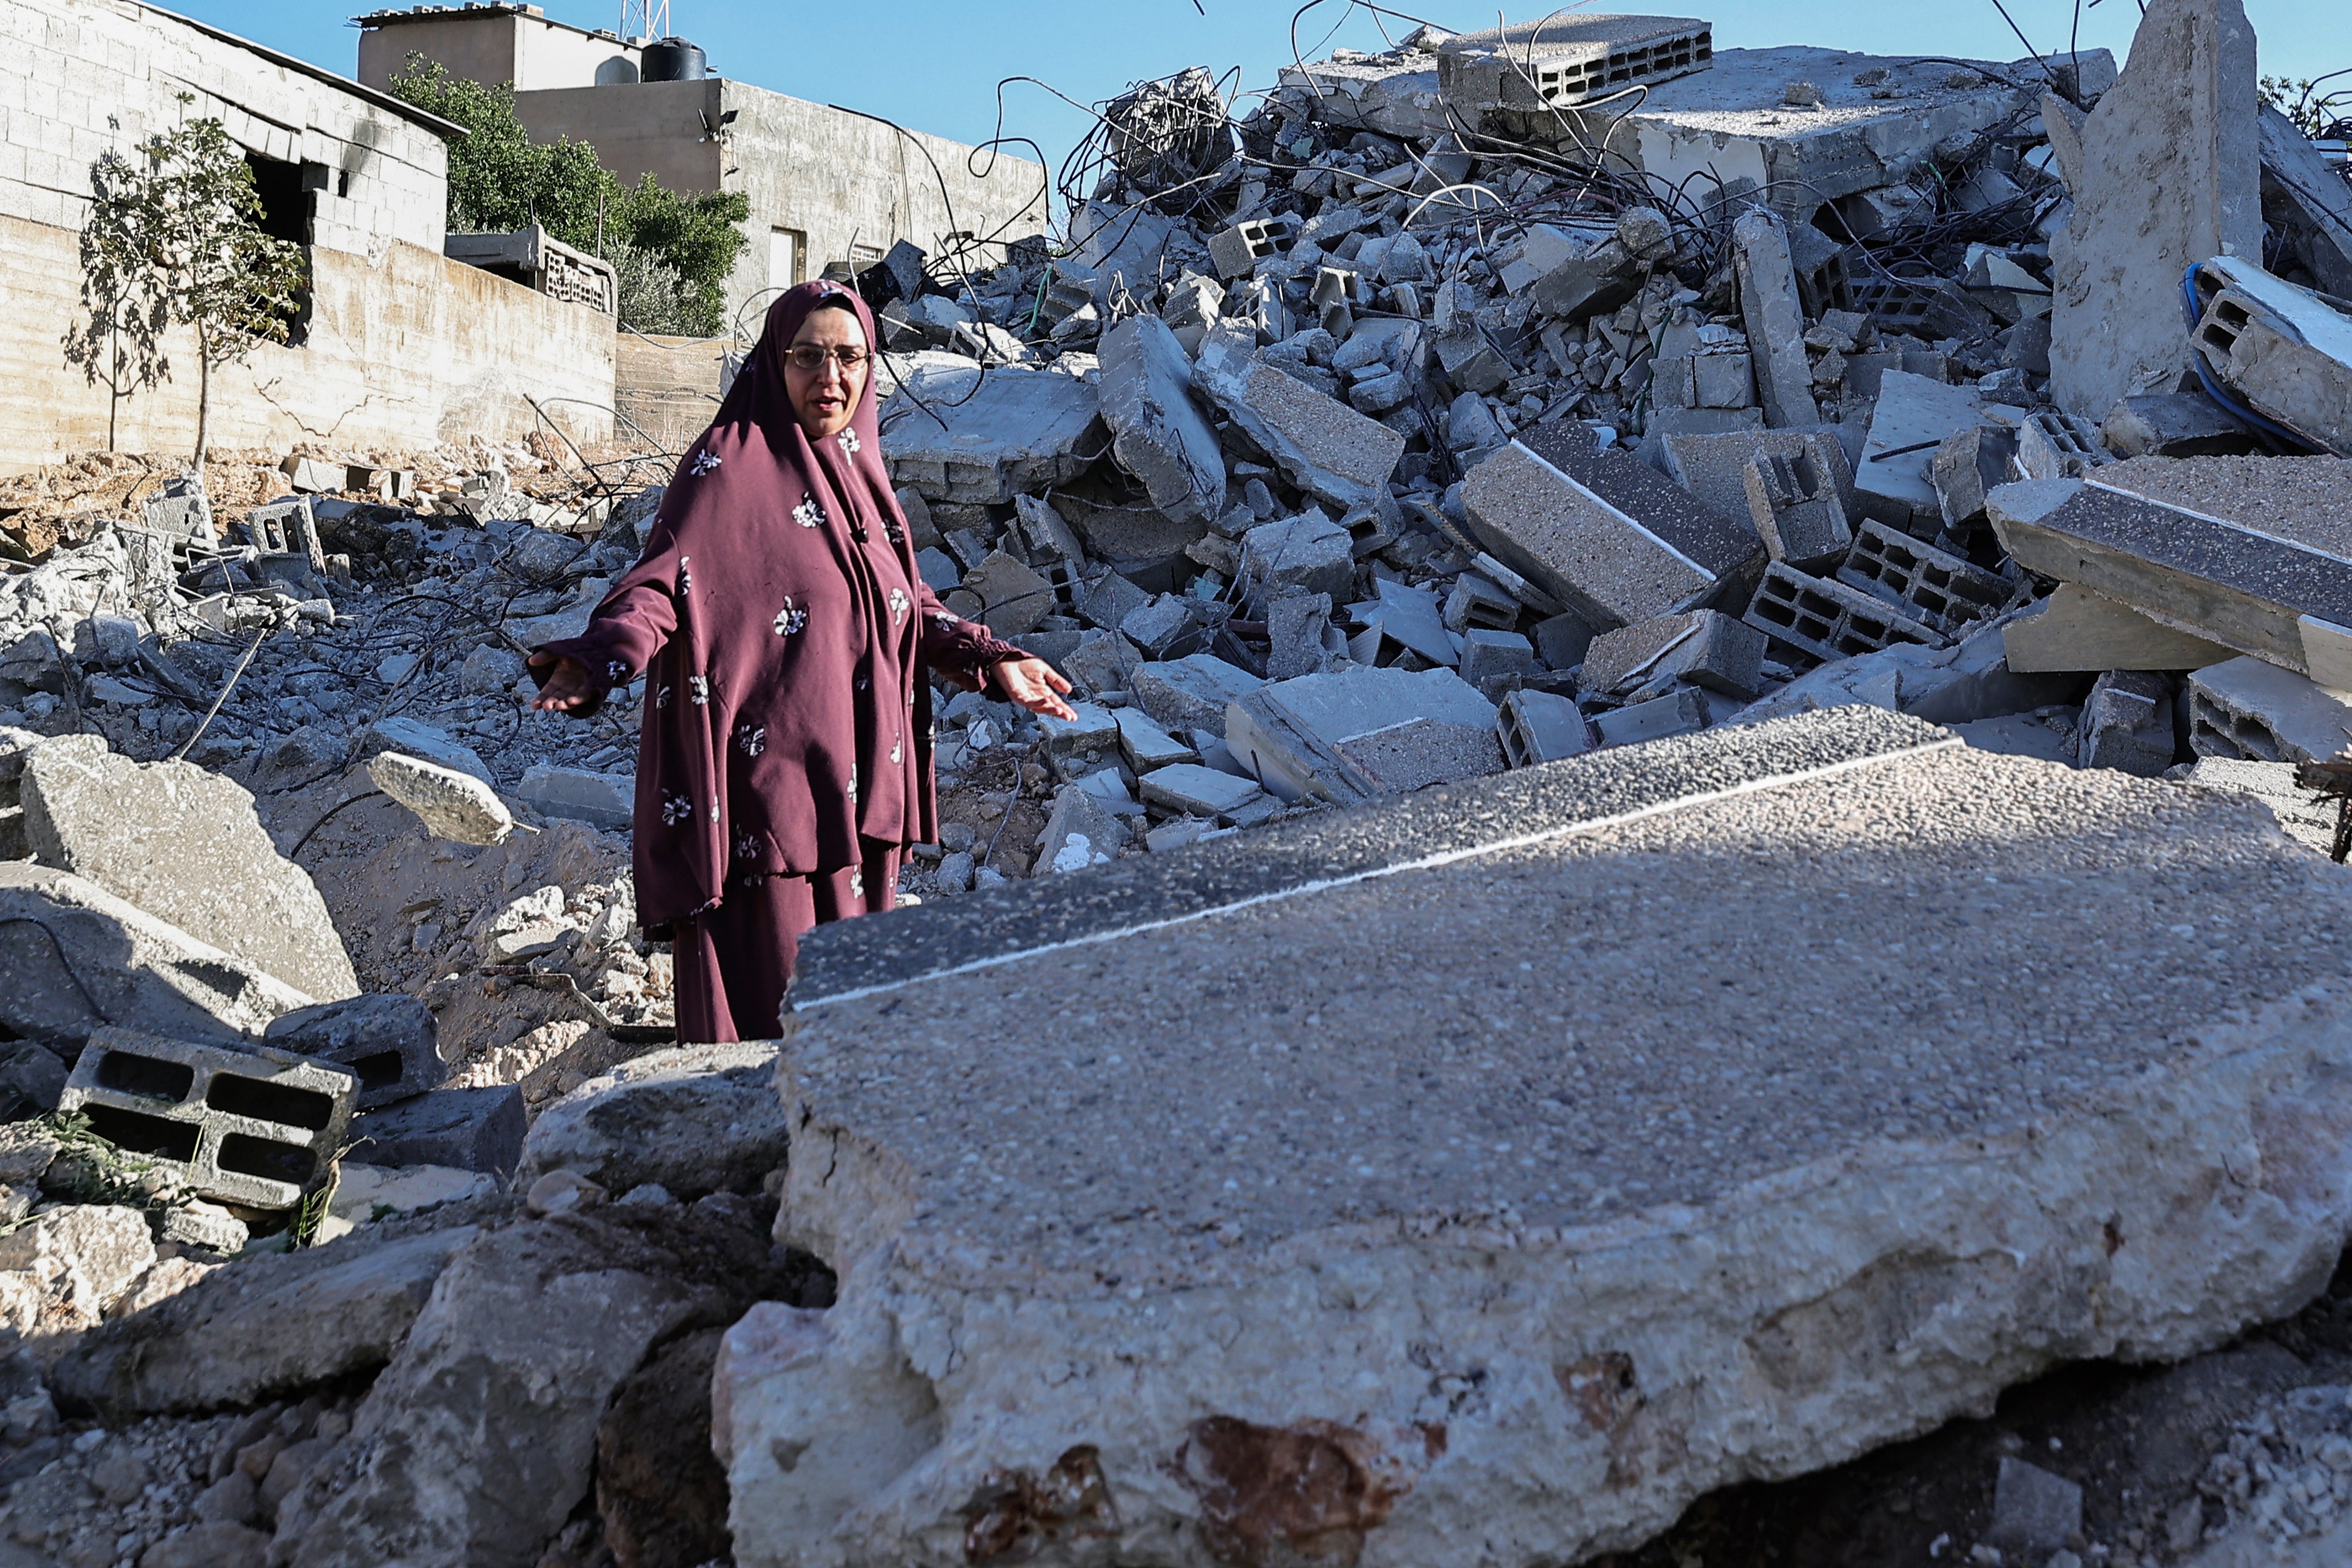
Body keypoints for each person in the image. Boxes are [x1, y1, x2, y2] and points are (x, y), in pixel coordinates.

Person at [528, 281, 1075, 1041]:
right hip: (767, 817)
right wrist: (598, 659)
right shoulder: (726, 468)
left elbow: (904, 603)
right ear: (771, 363)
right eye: (808, 357)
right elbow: (658, 586)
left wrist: (994, 662)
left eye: (849, 357)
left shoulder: (860, 475)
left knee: (850, 1032)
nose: (831, 378)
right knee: (768, 1042)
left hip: (855, 811)